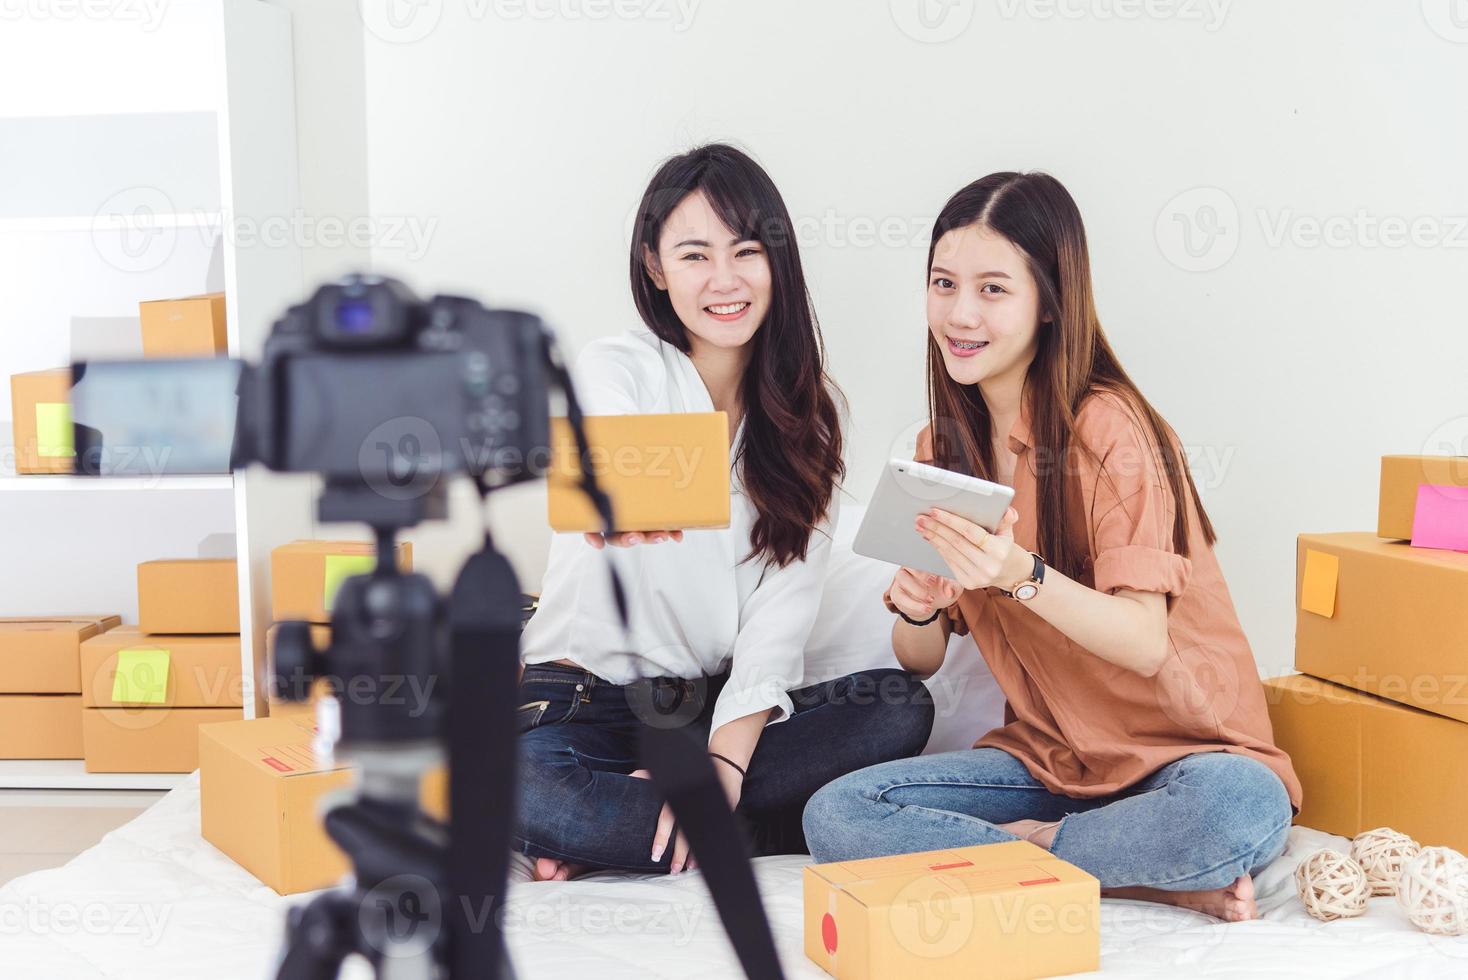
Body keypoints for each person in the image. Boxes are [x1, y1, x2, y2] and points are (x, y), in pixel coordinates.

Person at [802, 171, 1300, 922]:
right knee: (839, 814)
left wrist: (1015, 573)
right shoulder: (941, 450)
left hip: (1189, 762)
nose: (959, 313)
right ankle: (1124, 870)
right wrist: (919, 607)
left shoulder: (1111, 430)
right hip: (1053, 761)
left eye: (993, 289)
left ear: (1049, 303)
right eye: (943, 283)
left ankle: (1032, 854)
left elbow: (1142, 642)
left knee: (1233, 813)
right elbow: (922, 660)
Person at [516, 144, 934, 881]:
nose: (724, 280)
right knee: (516, 785)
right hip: (582, 705)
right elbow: (599, 462)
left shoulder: (808, 424)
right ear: (655, 266)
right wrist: (616, 500)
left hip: (707, 714)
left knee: (898, 706)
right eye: (694, 255)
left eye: (745, 251)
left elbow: (777, 627)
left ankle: (636, 831)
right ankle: (718, 828)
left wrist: (720, 765)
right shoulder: (617, 368)